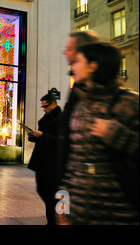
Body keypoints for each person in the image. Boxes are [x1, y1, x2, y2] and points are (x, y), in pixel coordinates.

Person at [57, 42, 139, 225]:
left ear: (93, 65)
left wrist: (117, 135)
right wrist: (62, 208)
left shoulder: (130, 102)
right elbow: (71, 165)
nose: (72, 66)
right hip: (79, 214)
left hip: (119, 214)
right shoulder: (81, 107)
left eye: (78, 61)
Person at [57, 30, 100, 186]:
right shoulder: (79, 88)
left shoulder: (94, 95)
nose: (64, 52)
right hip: (76, 189)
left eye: (69, 48)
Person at [27, 94, 62, 225]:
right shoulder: (45, 119)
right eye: (42, 107)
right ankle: (52, 220)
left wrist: (42, 135)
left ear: (54, 104)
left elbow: (60, 142)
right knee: (43, 190)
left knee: (54, 194)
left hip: (53, 164)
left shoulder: (61, 119)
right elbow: (43, 138)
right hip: (42, 162)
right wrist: (33, 136)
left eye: (45, 106)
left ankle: (55, 221)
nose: (44, 109)